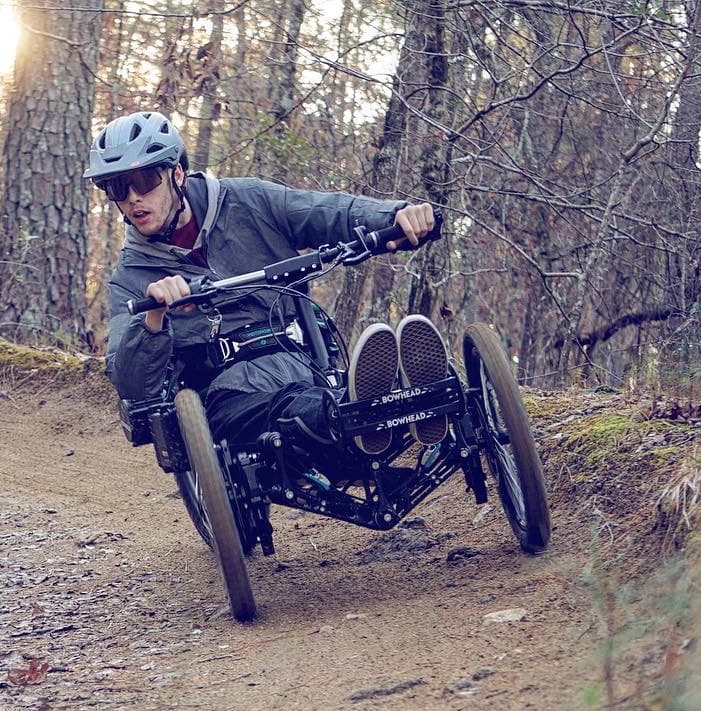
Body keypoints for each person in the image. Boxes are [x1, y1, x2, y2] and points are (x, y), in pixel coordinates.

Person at [91, 110, 453, 465]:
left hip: (303, 363)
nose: (133, 198)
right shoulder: (131, 277)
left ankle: (403, 401)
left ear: (177, 174)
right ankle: (356, 412)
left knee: (322, 397)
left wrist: (395, 217)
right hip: (227, 398)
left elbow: (328, 211)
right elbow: (130, 383)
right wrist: (153, 318)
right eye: (118, 188)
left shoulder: (248, 201)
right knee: (292, 411)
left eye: (143, 181)